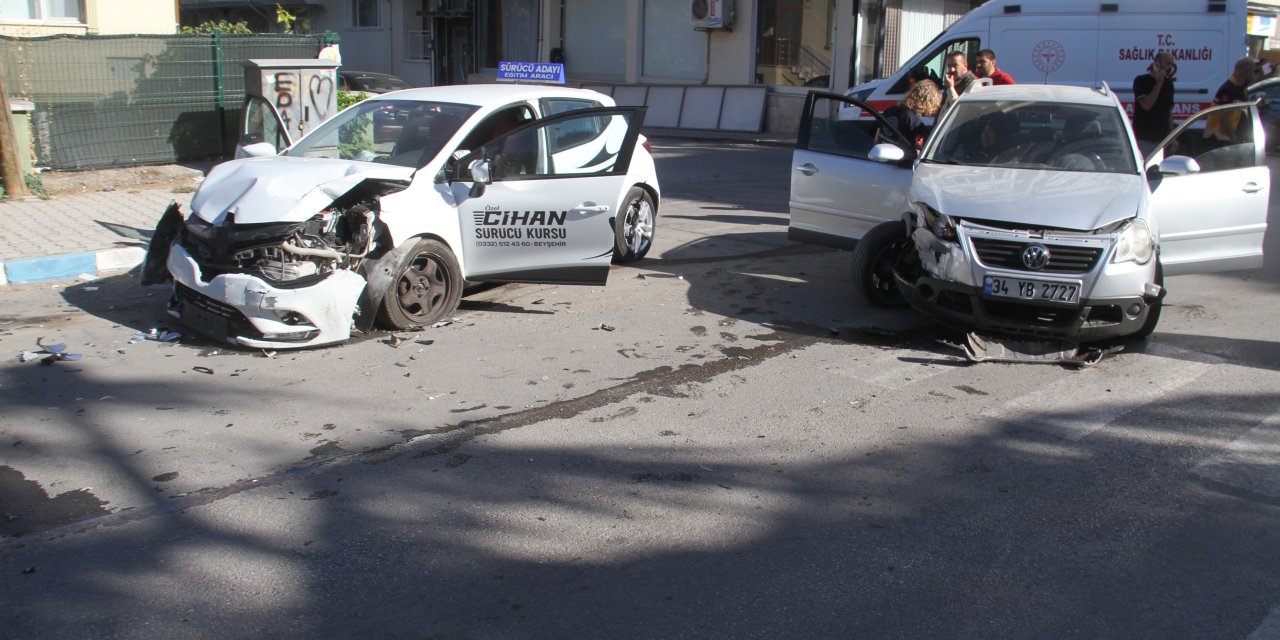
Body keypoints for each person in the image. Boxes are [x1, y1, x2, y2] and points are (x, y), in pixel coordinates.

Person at [1131, 51, 1176, 153]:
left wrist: (1173, 136)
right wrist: (1158, 84)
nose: (1170, 67)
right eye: (1167, 63)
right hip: (1144, 137)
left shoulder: (1169, 84)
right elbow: (1146, 105)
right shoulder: (1141, 81)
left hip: (1163, 139)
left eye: (1172, 64)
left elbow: (1168, 111)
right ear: (1157, 64)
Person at [878, 79, 941, 150]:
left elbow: (878, 134)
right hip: (901, 159)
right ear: (928, 102)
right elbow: (918, 149)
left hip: (880, 154)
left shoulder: (890, 109)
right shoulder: (914, 122)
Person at [1204, 56, 1255, 142]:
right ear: (1247, 72)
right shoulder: (1229, 89)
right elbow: (1223, 115)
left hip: (1228, 137)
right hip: (1220, 138)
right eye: (1252, 71)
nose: (1253, 74)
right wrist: (1233, 137)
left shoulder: (1241, 88)